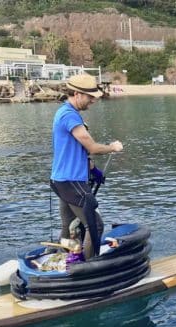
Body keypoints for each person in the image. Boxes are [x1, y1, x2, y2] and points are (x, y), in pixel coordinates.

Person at [50, 74, 123, 260]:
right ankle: (89, 268)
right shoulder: (69, 116)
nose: (93, 101)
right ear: (77, 94)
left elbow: (81, 152)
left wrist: (93, 171)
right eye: (90, 97)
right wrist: (112, 147)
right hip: (71, 182)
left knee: (69, 224)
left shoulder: (67, 113)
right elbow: (91, 146)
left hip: (62, 181)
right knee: (95, 225)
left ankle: (63, 260)